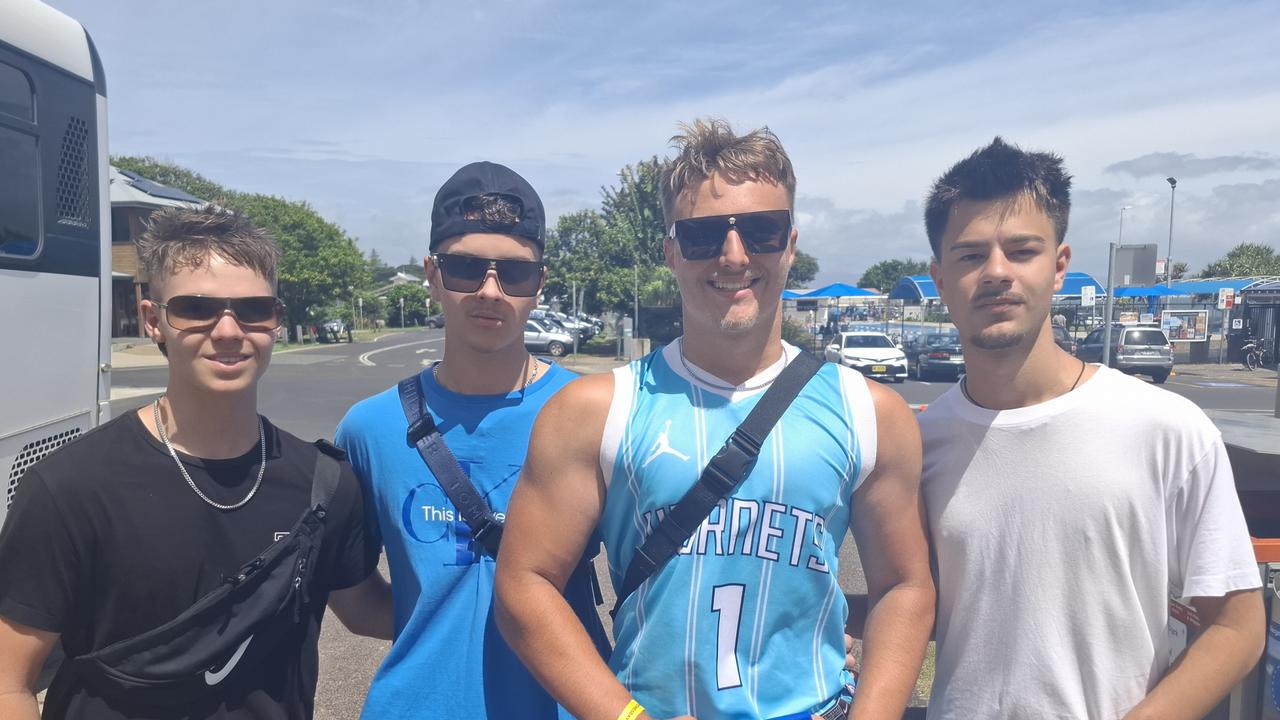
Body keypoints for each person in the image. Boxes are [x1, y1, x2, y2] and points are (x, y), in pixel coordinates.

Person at [495, 119, 934, 720]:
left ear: (790, 243)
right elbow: (526, 584)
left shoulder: (872, 412)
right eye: (703, 236)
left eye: (760, 230)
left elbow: (903, 589)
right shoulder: (595, 410)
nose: (734, 255)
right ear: (671, 251)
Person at [918, 137, 1264, 719]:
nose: (997, 272)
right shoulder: (922, 444)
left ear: (1058, 267)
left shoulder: (1165, 428)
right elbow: (908, 604)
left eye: (1021, 250)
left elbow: (1237, 625)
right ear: (939, 279)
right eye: (970, 255)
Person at [0, 205, 376, 719]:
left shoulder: (325, 484)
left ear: (276, 321)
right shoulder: (69, 487)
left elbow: (366, 610)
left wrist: (510, 591)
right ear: (154, 319)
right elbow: (8, 685)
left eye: (252, 309)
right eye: (197, 308)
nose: (227, 330)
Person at [329, 161, 608, 719]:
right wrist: (436, 622)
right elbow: (356, 606)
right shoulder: (368, 428)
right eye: (465, 268)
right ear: (432, 274)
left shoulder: (596, 413)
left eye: (515, 273)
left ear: (540, 283)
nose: (490, 290)